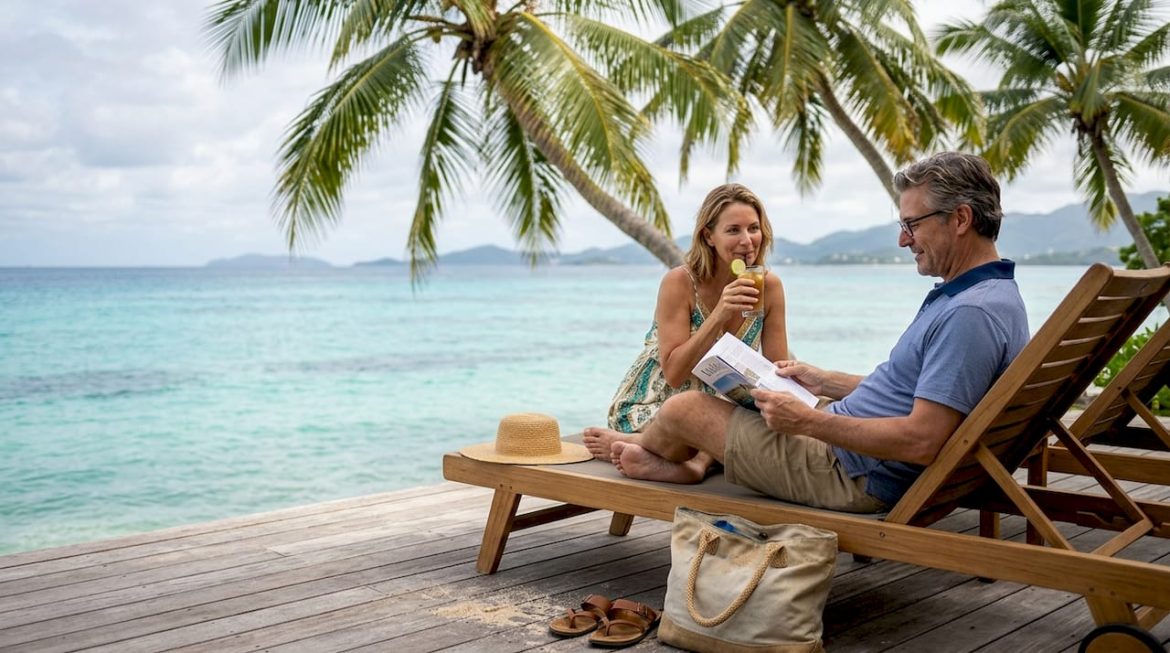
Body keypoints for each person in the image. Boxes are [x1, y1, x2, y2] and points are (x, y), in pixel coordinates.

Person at [592, 152, 1030, 513]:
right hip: (856, 449)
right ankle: (675, 453)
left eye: (911, 225)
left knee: (686, 409)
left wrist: (809, 421)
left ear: (960, 219)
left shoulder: (969, 314)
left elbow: (921, 439)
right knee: (747, 402)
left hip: (853, 473)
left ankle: (659, 451)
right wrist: (825, 381)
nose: (903, 240)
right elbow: (932, 393)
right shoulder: (988, 297)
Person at [584, 183, 789, 468]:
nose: (747, 240)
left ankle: (694, 464)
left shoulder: (769, 286)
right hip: (656, 406)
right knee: (704, 426)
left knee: (777, 433)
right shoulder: (679, 283)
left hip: (718, 409)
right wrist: (719, 314)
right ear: (709, 236)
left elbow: (774, 367)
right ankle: (671, 451)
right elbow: (674, 374)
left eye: (753, 228)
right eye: (733, 230)